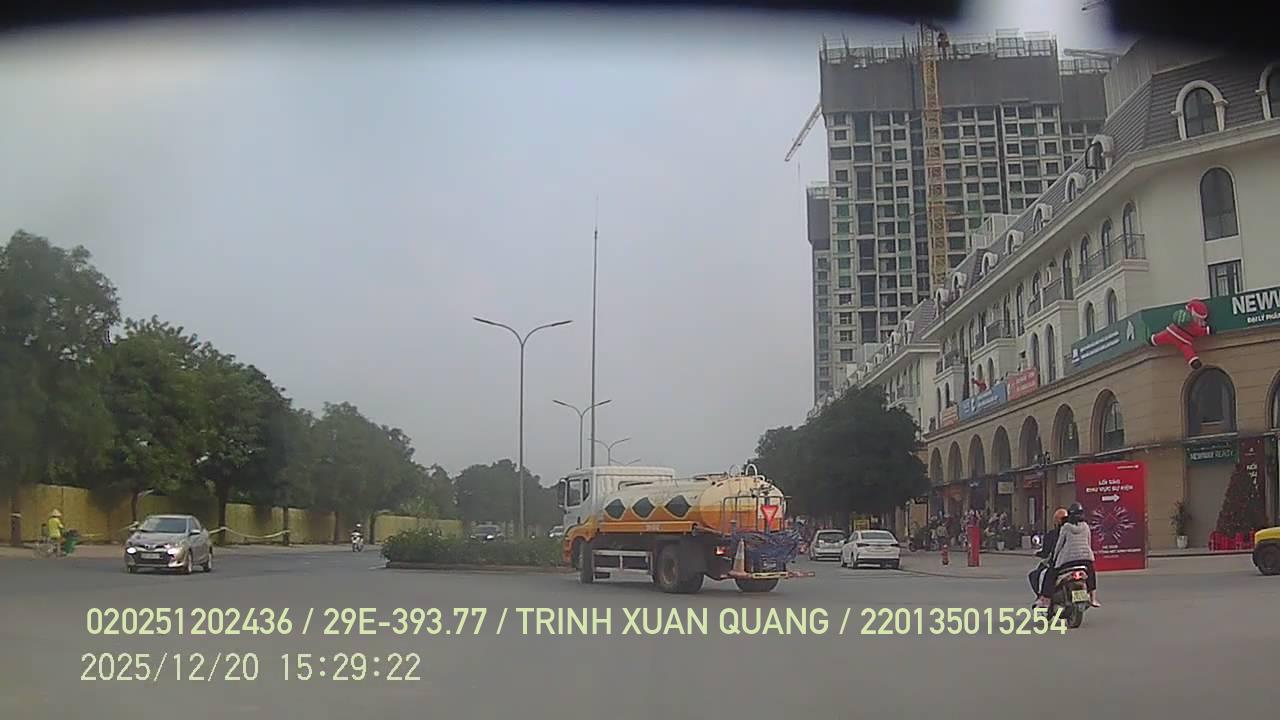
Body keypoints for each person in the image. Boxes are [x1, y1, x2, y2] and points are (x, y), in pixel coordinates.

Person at [1042, 502, 1100, 608]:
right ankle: (1093, 598)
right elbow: (1088, 543)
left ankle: (1046, 600)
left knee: (1051, 574)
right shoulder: (1086, 527)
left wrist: (1054, 558)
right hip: (1085, 559)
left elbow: (1059, 544)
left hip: (1068, 560)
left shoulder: (1066, 527)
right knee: (1091, 574)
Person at [1030, 508, 1067, 605]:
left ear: (1056, 521)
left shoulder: (1054, 534)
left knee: (1037, 575)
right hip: (1078, 562)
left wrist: (1038, 553)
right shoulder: (1078, 530)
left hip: (1059, 563)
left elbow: (1047, 552)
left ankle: (1044, 597)